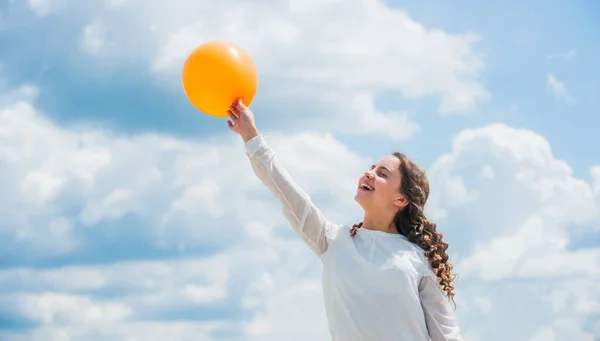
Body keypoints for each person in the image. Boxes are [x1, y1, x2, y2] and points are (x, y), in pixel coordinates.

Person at [227, 99, 463, 341]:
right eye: (372, 167)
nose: (369, 173)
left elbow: (447, 335)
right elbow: (286, 191)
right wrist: (250, 135)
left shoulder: (417, 258)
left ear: (401, 199)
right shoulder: (333, 241)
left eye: (382, 174)